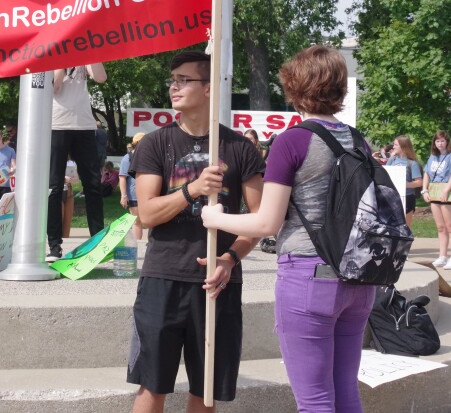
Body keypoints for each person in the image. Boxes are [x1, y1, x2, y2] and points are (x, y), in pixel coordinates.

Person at [202, 44, 373, 413]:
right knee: (346, 393)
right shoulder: (358, 140)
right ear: (339, 88)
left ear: (294, 88)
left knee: (314, 402)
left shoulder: (292, 141)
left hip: (309, 277)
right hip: (358, 278)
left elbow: (267, 222)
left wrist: (215, 219)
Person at [128, 50, 264, 412]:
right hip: (163, 278)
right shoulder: (156, 143)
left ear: (208, 88)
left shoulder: (239, 148)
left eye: (184, 80)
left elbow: (259, 220)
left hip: (217, 284)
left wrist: (231, 258)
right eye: (172, 80)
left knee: (205, 392)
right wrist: (192, 189)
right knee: (151, 386)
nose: (174, 87)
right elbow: (147, 213)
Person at [46, 63, 108, 262]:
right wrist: (63, 60)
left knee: (93, 183)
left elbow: (101, 77)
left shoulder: (85, 54)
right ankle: (54, 246)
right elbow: (55, 86)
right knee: (54, 187)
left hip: (83, 125)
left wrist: (90, 54)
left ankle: (97, 240)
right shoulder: (52, 55)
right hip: (57, 124)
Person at [422, 130, 451, 269]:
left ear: (447, 142)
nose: (440, 143)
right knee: (440, 227)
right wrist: (424, 189)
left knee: (450, 226)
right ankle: (442, 256)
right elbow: (426, 173)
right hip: (434, 190)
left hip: (448, 190)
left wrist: (446, 190)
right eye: (437, 141)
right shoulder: (433, 156)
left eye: (442, 141)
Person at [386, 135, 423, 226]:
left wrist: (405, 184)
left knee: (405, 228)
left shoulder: (412, 163)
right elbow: (385, 174)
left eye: (396, 145)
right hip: (392, 197)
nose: (393, 147)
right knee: (392, 227)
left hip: (407, 197)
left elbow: (419, 182)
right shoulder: (392, 159)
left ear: (403, 146)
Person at [119, 132, 145, 240]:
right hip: (134, 195)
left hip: (151, 193)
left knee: (153, 221)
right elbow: (122, 177)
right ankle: (137, 247)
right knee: (137, 221)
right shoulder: (128, 158)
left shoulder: (152, 155)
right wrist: (124, 195)